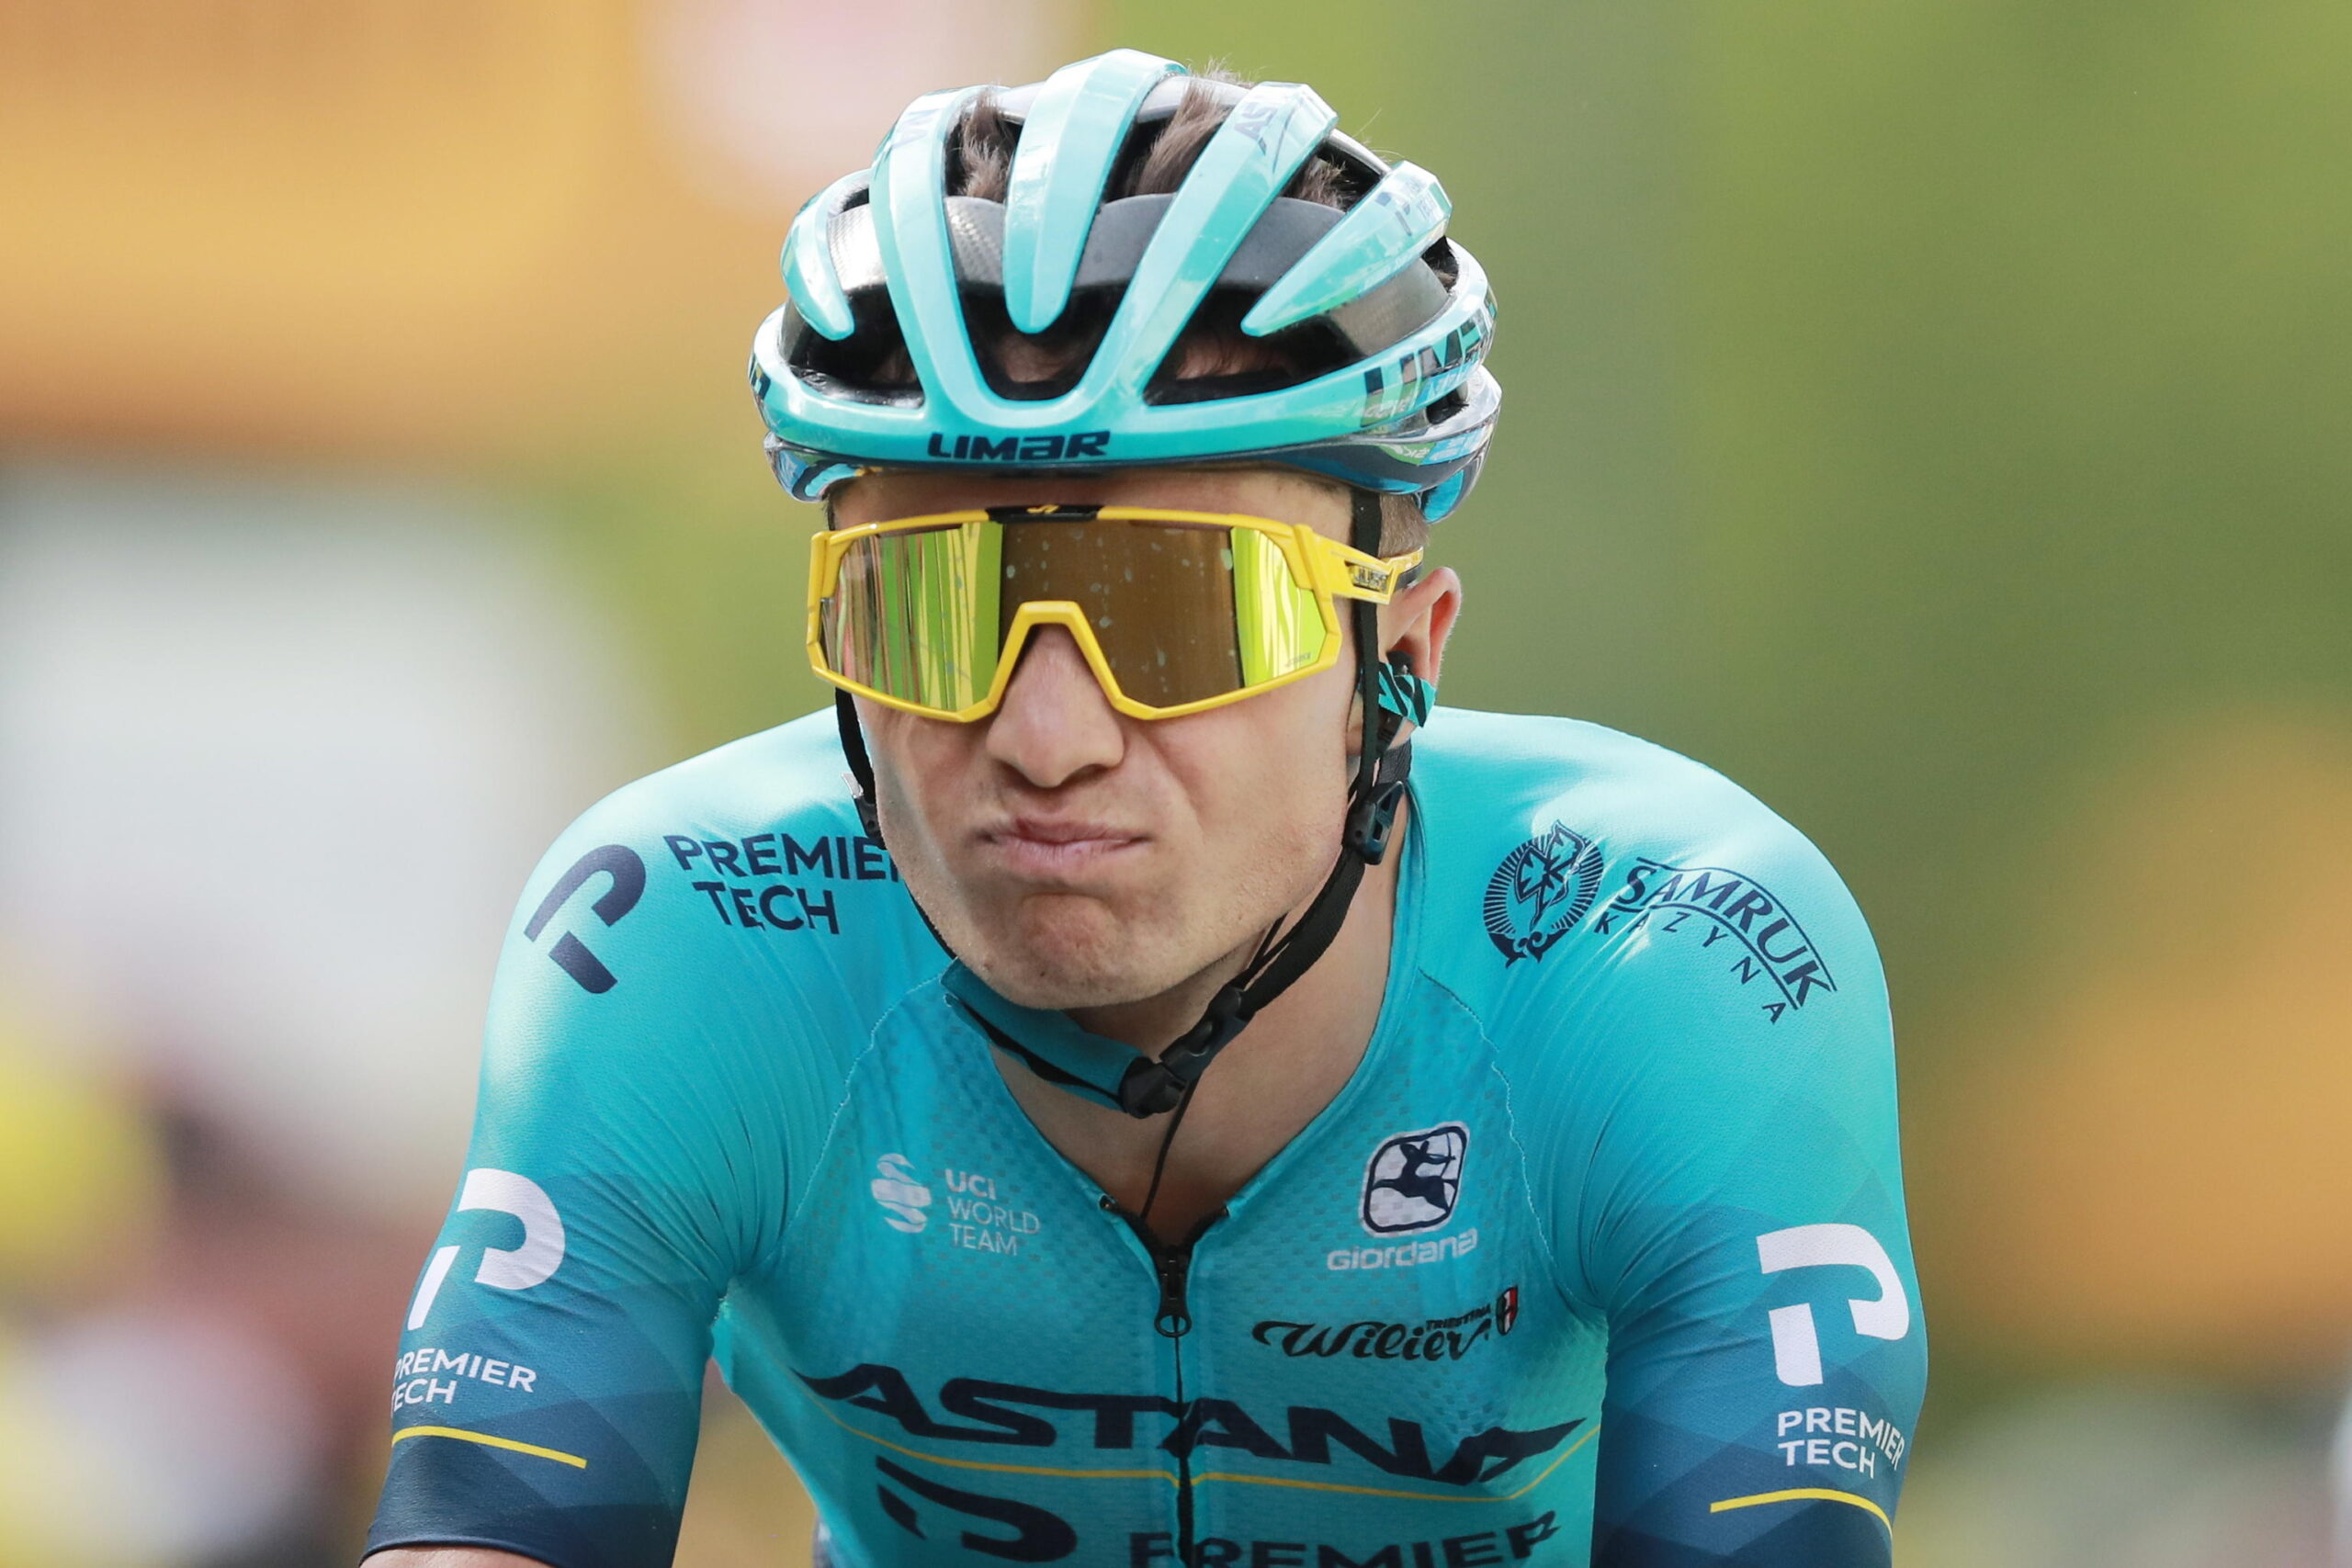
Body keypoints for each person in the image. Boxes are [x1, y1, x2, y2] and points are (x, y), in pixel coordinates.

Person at [362, 50, 1924, 1568]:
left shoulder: (1673, 955)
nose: (1045, 739)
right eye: (932, 612)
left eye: (1183, 615)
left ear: (1401, 656)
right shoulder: (686, 938)